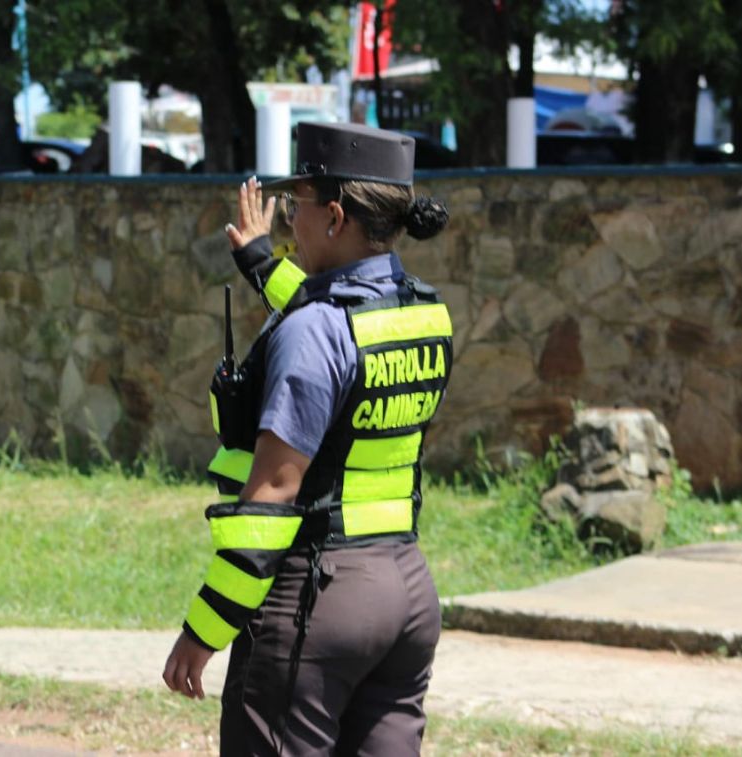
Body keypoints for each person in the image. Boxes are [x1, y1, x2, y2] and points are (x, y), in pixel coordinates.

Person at [162, 121, 453, 756]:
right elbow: (342, 314)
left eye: (298, 207)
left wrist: (206, 627)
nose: (291, 220)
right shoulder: (421, 310)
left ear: (335, 216)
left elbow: (272, 491)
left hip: (316, 606)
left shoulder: (315, 331)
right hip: (405, 598)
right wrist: (261, 260)